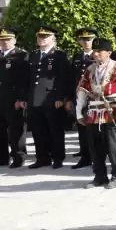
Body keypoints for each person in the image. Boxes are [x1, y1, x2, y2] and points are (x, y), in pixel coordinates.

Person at [76, 38, 116, 189]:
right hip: (93, 111)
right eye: (94, 51)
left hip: (111, 110)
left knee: (113, 146)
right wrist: (79, 113)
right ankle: (99, 176)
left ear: (108, 52)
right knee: (95, 146)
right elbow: (82, 91)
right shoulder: (90, 69)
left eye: (99, 51)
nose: (96, 54)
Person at [24, 26, 70, 169]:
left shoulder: (60, 55)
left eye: (45, 37)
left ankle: (57, 158)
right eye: (39, 36)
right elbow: (27, 78)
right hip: (34, 98)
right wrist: (25, 97)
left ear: (52, 39)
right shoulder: (33, 54)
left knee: (55, 130)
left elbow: (63, 78)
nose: (41, 39)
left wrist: (60, 97)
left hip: (52, 98)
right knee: (38, 130)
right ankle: (42, 158)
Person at [69, 28, 97, 169]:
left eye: (89, 39)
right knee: (81, 127)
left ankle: (96, 156)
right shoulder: (77, 56)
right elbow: (70, 78)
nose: (86, 42)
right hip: (80, 97)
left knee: (95, 129)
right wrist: (69, 98)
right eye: (83, 40)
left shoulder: (98, 55)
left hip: (94, 98)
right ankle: (85, 156)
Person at [0, 28, 27, 168]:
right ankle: (2, 158)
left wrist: (21, 98)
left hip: (13, 99)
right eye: (2, 40)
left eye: (8, 39)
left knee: (16, 129)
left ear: (14, 41)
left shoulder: (21, 56)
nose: (5, 42)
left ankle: (18, 156)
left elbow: (23, 80)